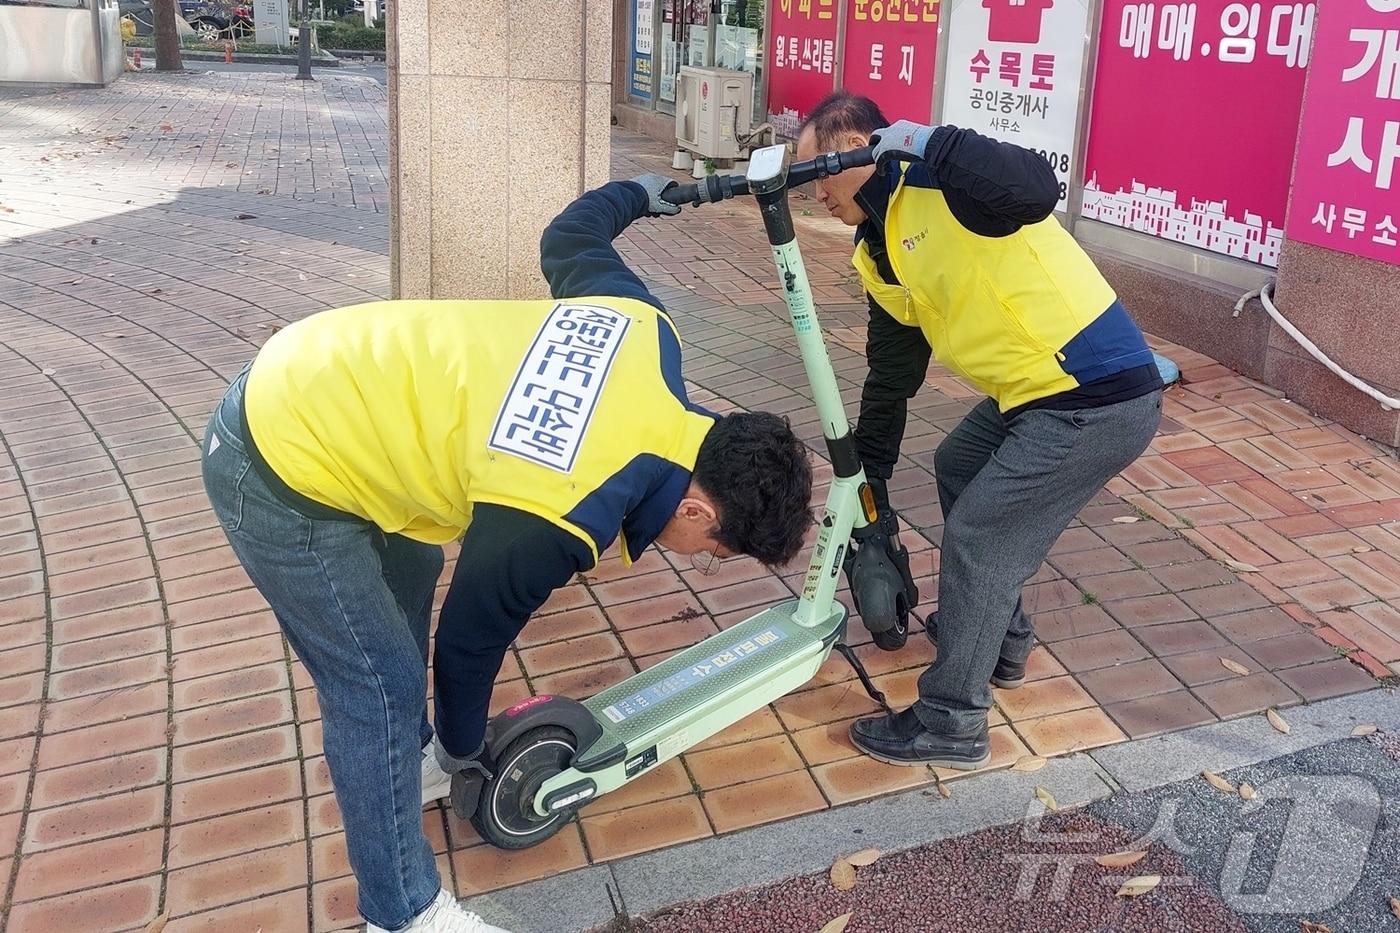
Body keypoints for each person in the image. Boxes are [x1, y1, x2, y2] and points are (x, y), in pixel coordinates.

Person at [199, 174, 813, 933]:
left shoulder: (646, 330)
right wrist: (468, 752)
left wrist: (640, 194)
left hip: (326, 377)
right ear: (698, 507)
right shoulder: (566, 507)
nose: (695, 558)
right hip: (276, 465)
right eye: (711, 551)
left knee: (416, 564)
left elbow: (571, 236)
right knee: (378, 684)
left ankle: (412, 762)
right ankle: (402, 913)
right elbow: (468, 640)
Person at [794, 92, 1163, 770]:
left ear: (861, 144)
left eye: (819, 168)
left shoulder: (945, 181)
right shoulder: (877, 250)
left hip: (1094, 391)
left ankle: (952, 717)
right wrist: (868, 474)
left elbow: (1034, 185)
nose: (812, 190)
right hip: (1035, 392)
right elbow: (892, 375)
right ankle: (1002, 642)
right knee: (959, 463)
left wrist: (925, 138)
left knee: (980, 537)